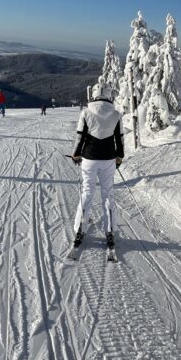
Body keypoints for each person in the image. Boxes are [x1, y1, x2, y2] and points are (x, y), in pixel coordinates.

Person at [70, 84, 124, 249]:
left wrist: (76, 154)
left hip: (89, 159)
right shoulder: (116, 114)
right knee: (108, 194)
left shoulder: (86, 112)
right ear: (109, 96)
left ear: (94, 95)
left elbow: (80, 136)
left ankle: (80, 229)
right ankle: (109, 232)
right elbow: (119, 138)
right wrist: (120, 157)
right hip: (108, 159)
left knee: (87, 192)